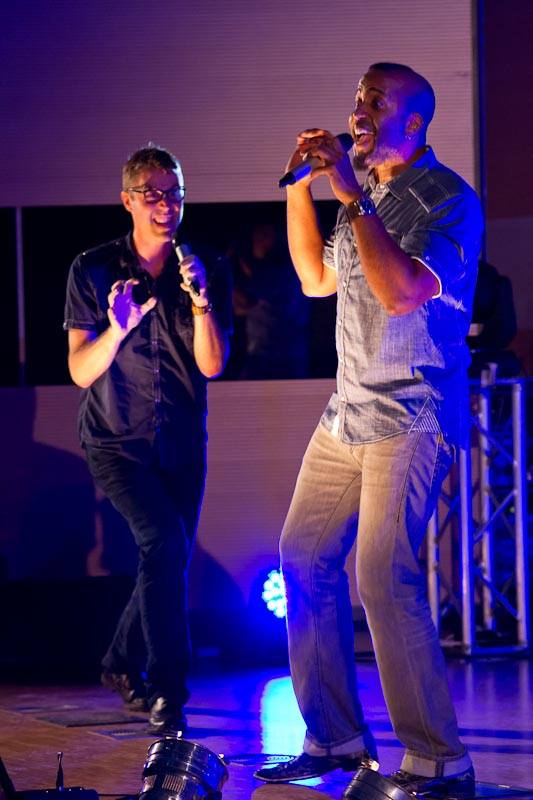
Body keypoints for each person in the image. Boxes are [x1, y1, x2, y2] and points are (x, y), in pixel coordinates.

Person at [254, 63, 483, 798]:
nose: (358, 111)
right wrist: (300, 186)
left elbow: (400, 293)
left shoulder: (448, 199)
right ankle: (336, 738)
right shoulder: (368, 194)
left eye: (375, 102)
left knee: (382, 575)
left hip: (411, 415)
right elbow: (314, 279)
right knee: (302, 557)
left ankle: (439, 760)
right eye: (357, 98)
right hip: (348, 411)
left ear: (413, 123)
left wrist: (350, 196)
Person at [63, 144, 232, 734]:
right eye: (154, 195)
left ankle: (118, 662)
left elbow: (212, 365)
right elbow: (80, 370)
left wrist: (202, 301)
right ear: (128, 201)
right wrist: (116, 329)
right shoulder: (92, 269)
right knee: (162, 542)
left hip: (181, 442)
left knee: (167, 554)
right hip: (116, 441)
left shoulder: (204, 265)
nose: (167, 206)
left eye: (175, 193)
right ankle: (168, 690)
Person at [230, 221, 310, 379]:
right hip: (276, 354)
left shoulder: (280, 272)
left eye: (263, 236)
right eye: (256, 237)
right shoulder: (278, 271)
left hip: (277, 356)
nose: (257, 242)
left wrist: (230, 263)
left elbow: (242, 304)